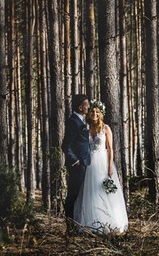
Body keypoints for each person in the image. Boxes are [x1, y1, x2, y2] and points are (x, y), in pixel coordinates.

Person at [73, 100, 128, 234]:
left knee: (104, 190)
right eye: (92, 111)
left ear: (101, 114)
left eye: (97, 112)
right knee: (90, 192)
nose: (94, 114)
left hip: (102, 162)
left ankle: (109, 222)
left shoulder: (106, 128)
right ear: (89, 113)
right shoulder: (86, 128)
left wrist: (109, 166)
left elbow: (110, 149)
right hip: (89, 162)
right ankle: (91, 222)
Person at [61, 93, 90, 232]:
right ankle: (70, 227)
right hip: (77, 166)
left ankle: (77, 225)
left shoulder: (81, 120)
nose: (88, 106)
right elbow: (65, 145)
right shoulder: (73, 121)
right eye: (86, 104)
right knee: (73, 195)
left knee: (79, 194)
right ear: (80, 107)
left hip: (85, 164)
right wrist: (76, 160)